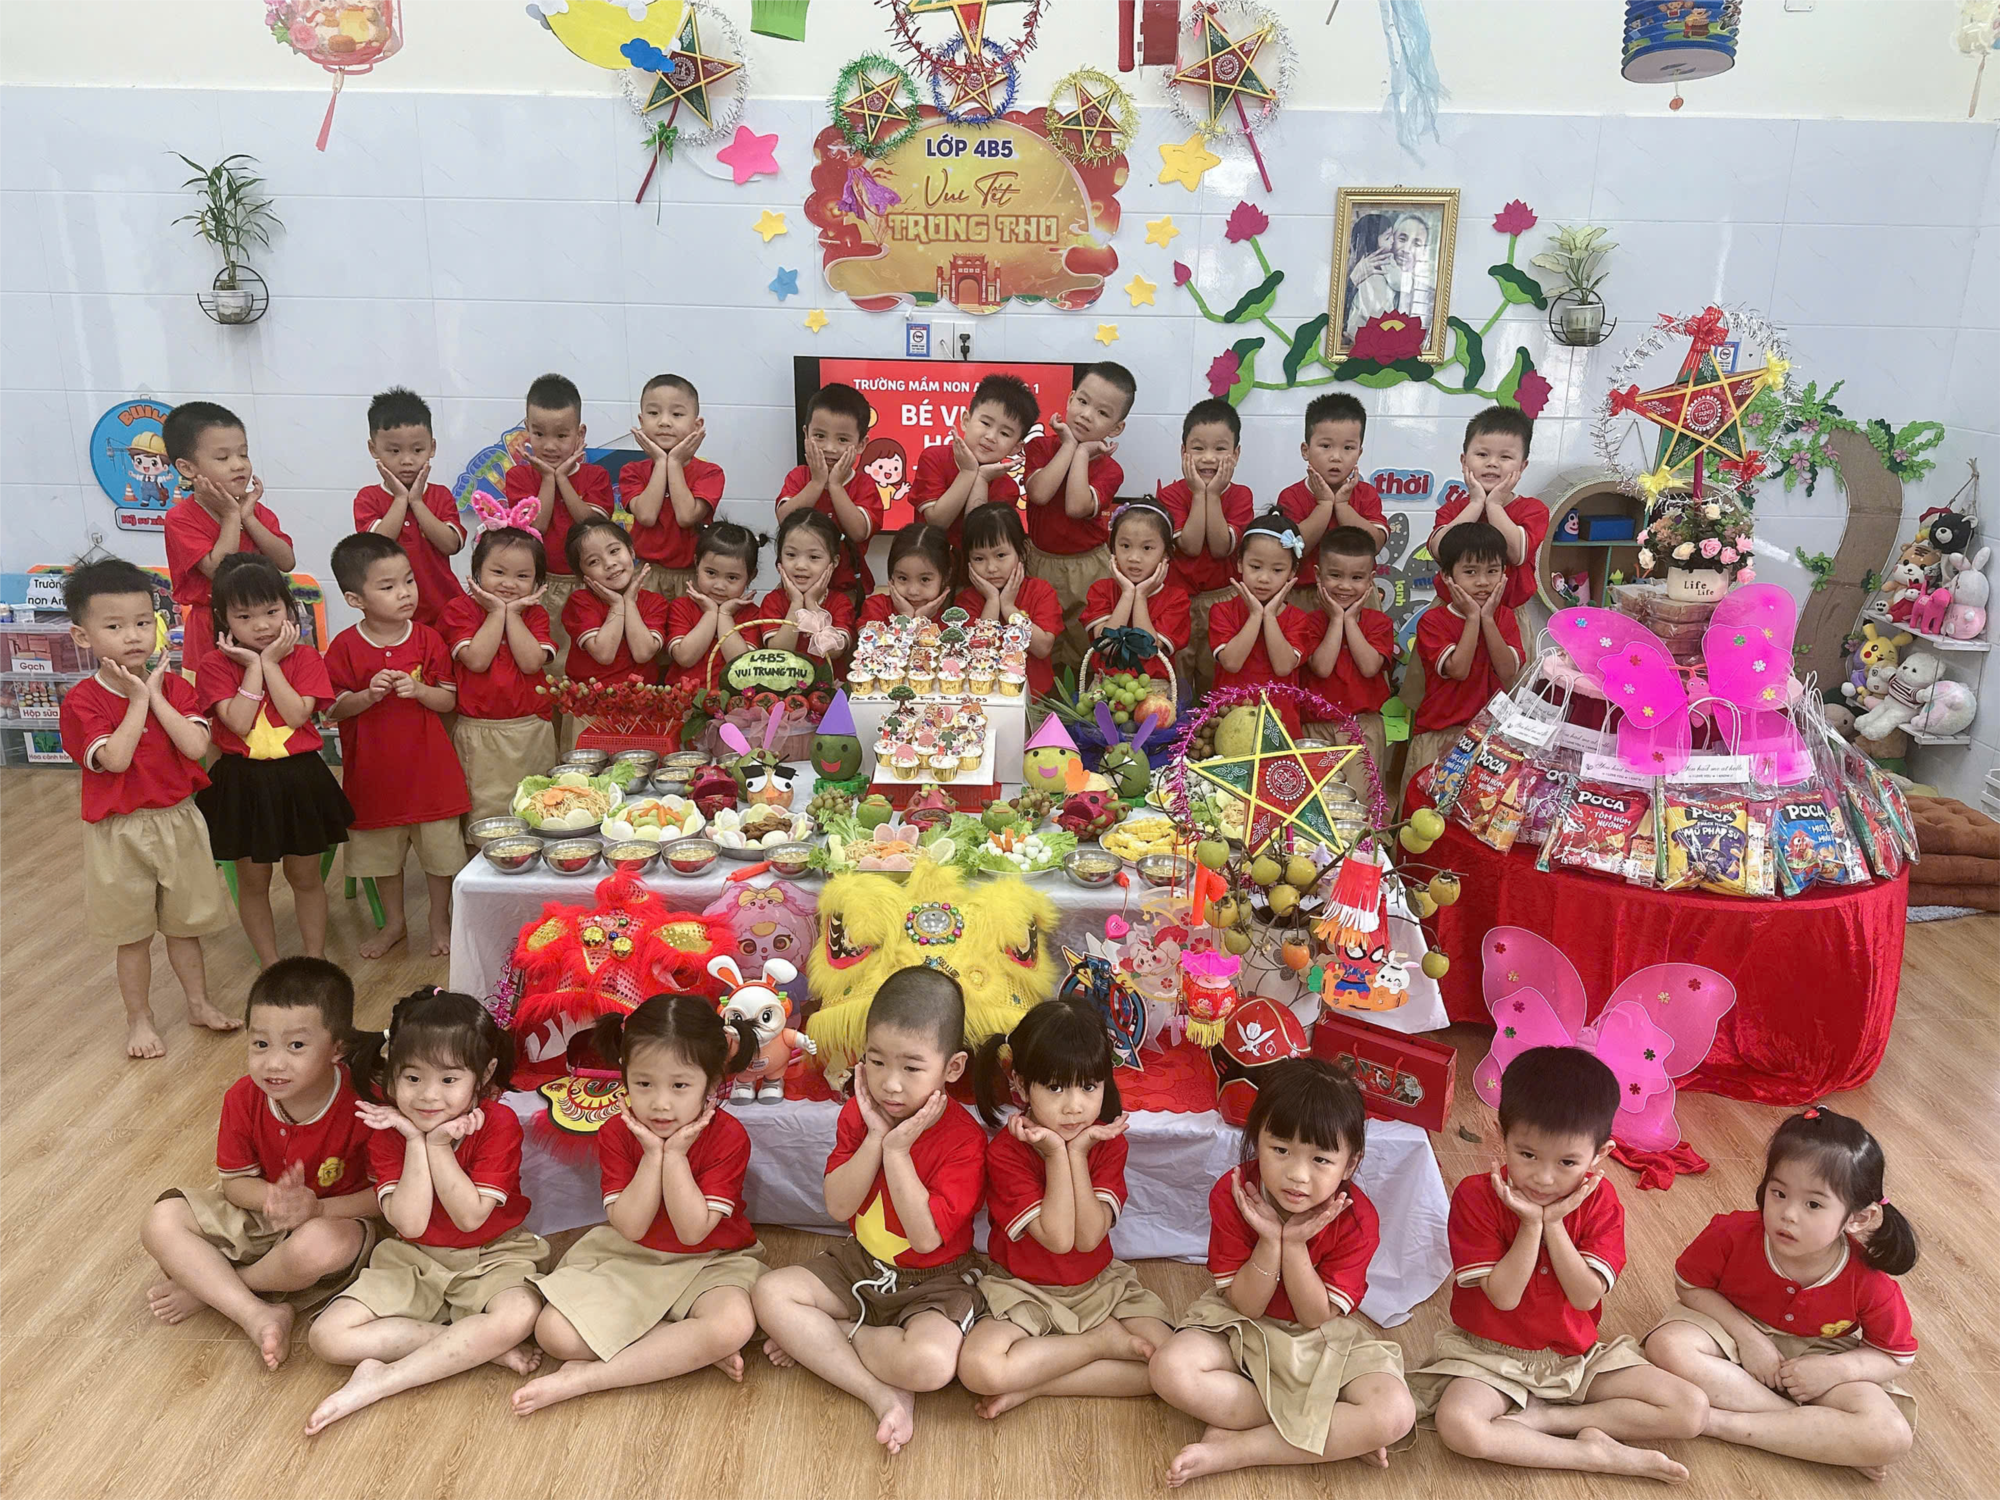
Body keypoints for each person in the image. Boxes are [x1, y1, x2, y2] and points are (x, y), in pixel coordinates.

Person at [1409, 1047, 1708, 1482]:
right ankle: (1592, 1455)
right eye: (1527, 1155)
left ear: (1601, 1153)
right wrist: (1532, 1224)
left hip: (1575, 1356)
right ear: (1502, 1135)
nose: (1544, 1178)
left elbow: (1585, 1296)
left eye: (1567, 1162)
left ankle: (1547, 1421)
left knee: (1690, 1409)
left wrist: (1554, 1224)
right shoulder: (1476, 1195)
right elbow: (1504, 1297)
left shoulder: (1602, 1202)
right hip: (1490, 1356)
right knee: (1459, 1425)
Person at [752, 968, 986, 1456]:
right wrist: (876, 1138)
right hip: (862, 1263)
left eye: (912, 1068)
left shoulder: (964, 1140)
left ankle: (831, 1338)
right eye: (876, 1061)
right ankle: (878, 1392)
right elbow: (839, 1206)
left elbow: (925, 1239)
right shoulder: (860, 1115)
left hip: (936, 1279)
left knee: (931, 1365)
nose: (890, 1085)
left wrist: (897, 1152)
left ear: (953, 1067)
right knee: (770, 1293)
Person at [1149, 1058, 1414, 1485]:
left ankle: (1239, 1448)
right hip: (1239, 1325)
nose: (1297, 1175)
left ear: (1350, 1165)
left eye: (1321, 1159)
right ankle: (1332, 1432)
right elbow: (1246, 1305)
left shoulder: (1358, 1218)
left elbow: (1314, 1317)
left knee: (1396, 1412)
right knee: (1170, 1369)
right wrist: (1270, 1241)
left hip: (1319, 1336)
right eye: (1280, 1150)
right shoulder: (1235, 1192)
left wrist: (1293, 1245)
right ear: (1257, 1139)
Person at [305, 989, 549, 1432]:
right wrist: (417, 1142)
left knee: (520, 1314)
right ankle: (475, 1347)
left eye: (449, 1080)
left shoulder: (497, 1123)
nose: (428, 1096)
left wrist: (438, 1147)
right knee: (327, 1337)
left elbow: (470, 1217)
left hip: (494, 1254)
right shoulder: (388, 1130)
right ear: (392, 1072)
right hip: (414, 1257)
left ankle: (383, 1381)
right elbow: (412, 1223)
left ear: (484, 1074)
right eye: (413, 1078)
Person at [512, 995, 766, 1415]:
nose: (660, 1103)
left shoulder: (728, 1136)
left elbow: (692, 1232)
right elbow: (630, 1227)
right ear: (625, 1075)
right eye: (644, 1084)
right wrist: (652, 1155)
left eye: (680, 1086)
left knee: (732, 1324)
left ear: (711, 1083)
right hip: (631, 1255)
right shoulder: (617, 1131)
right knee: (553, 1333)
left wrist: (676, 1155)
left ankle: (588, 1378)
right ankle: (682, 1348)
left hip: (711, 1260)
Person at [1645, 1106, 1919, 1481]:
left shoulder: (1870, 1281)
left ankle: (1715, 1423)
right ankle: (1810, 1432)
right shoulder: (1732, 1233)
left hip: (1818, 1360)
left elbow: (1895, 1355)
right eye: (1779, 1193)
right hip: (1730, 1331)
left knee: (1891, 1435)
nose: (1788, 1214)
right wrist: (1748, 1338)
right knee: (1667, 1345)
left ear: (1858, 1218)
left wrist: (1834, 1370)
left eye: (1813, 1204)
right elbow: (1689, 1285)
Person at [139, 958, 378, 1370]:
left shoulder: (367, 1105)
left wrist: (317, 1209)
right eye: (260, 1044)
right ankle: (255, 1313)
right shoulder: (242, 1097)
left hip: (335, 1219)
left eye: (296, 1046)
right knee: (160, 1221)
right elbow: (235, 1184)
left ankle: (214, 1289)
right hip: (264, 1216)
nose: (273, 1063)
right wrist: (274, 1200)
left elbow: (385, 1199)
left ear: (337, 1049)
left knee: (319, 1245)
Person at [957, 999, 1172, 1419]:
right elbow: (1058, 1239)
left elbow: (1088, 1238)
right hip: (1023, 1290)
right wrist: (1057, 1154)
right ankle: (1096, 1344)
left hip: (1100, 1286)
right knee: (979, 1369)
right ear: (1021, 1085)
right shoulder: (1006, 1153)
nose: (1074, 1106)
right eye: (1056, 1088)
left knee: (1172, 1366)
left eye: (1089, 1087)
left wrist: (1077, 1154)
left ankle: (1038, 1384)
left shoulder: (1106, 1143)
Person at [59, 557, 236, 1058]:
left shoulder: (176, 688)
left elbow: (196, 747)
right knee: (132, 936)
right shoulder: (82, 701)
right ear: (82, 636)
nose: (133, 636)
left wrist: (155, 696)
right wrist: (139, 700)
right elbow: (114, 759)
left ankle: (198, 1003)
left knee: (185, 927)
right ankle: (140, 1020)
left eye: (142, 622)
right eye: (114, 626)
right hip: (119, 831)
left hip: (179, 819)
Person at [193, 555, 354, 965]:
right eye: (244, 616)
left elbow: (298, 714)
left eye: (271, 611)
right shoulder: (213, 665)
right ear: (223, 619)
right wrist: (253, 668)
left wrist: (269, 664)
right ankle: (269, 963)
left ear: (288, 609)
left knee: (306, 877)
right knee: (253, 881)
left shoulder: (306, 658)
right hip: (241, 782)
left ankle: (315, 959)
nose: (262, 625)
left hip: (300, 779)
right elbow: (239, 723)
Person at [325, 533, 469, 961]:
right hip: (374, 779)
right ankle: (394, 922)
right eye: (387, 587)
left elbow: (448, 700)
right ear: (355, 599)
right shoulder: (345, 647)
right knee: (382, 859)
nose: (405, 592)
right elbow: (332, 708)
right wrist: (366, 696)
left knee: (441, 856)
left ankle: (439, 918)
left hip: (430, 775)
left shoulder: (428, 639)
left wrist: (420, 690)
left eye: (408, 580)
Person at [162, 400, 295, 676]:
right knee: (216, 696)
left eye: (243, 454)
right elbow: (217, 569)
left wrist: (249, 518)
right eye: (223, 458)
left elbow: (286, 561)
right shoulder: (181, 518)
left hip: (264, 627)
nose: (238, 465)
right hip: (210, 631)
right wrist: (232, 516)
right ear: (187, 468)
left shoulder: (256, 511)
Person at [441, 524, 557, 831]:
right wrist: (496, 613)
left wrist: (513, 614)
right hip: (480, 732)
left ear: (537, 581)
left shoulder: (535, 614)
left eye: (523, 576)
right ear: (477, 570)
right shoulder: (459, 610)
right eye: (498, 572)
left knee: (540, 810)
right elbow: (477, 660)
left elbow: (531, 663)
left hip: (531, 729)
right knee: (486, 817)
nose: (509, 584)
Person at [1022, 362, 1134, 669]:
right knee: (1039, 644)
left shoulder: (1111, 470)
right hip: (1039, 559)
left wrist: (1082, 453)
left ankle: (1081, 698)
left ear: (1116, 428)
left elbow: (1076, 506)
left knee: (1083, 648)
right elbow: (1040, 494)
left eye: (1102, 412)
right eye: (1082, 401)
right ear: (1070, 399)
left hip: (1088, 567)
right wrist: (1069, 445)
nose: (1086, 414)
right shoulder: (1040, 447)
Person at [1402, 522, 1523, 797]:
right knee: (1423, 810)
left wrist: (1487, 619)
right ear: (1447, 576)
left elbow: (1507, 671)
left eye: (1492, 571)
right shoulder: (1433, 621)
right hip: (1439, 734)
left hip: (1488, 738)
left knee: (1475, 812)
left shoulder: (1504, 617)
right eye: (1470, 572)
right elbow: (1458, 670)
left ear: (1504, 573)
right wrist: (1472, 618)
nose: (1483, 582)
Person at [503, 373, 612, 659]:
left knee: (586, 656)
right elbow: (536, 527)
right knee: (546, 657)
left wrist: (562, 478)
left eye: (561, 436)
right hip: (540, 585)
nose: (549, 446)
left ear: (580, 434)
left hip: (589, 584)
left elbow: (592, 525)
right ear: (527, 429)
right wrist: (549, 479)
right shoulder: (518, 477)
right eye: (539, 434)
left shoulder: (596, 476)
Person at [1158, 398, 1255, 696]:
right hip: (1178, 600)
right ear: (1183, 452)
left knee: (1216, 680)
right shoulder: (1171, 495)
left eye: (1220, 449)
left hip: (1223, 601)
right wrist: (1200, 495)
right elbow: (1189, 545)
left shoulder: (1241, 495)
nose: (1208, 458)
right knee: (1177, 677)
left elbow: (1220, 547)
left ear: (1236, 454)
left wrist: (1212, 496)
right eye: (1198, 448)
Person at [353, 387, 465, 628]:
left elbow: (451, 545)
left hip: (446, 608)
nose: (407, 460)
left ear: (432, 448)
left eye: (417, 450)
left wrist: (417, 502)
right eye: (394, 451)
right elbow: (375, 548)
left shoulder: (440, 495)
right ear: (373, 449)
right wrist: (400, 499)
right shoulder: (368, 498)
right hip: (391, 616)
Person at [1206, 512, 1324, 736]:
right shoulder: (1222, 611)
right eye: (1255, 566)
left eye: (1277, 570)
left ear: (1292, 572)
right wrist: (1254, 616)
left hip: (1281, 724)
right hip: (1228, 722)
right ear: (1240, 563)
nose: (1264, 578)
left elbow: (1283, 666)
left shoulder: (1298, 618)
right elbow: (1231, 662)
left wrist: (1269, 617)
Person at [1302, 526, 1397, 798]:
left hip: (1362, 727)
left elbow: (1369, 666)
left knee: (1361, 805)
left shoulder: (1379, 623)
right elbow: (1322, 667)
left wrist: (1350, 622)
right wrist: (1336, 620)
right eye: (1335, 575)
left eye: (1357, 578)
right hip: (1316, 727)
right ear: (1318, 575)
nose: (1345, 586)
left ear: (1371, 581)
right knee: (1317, 804)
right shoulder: (1308, 622)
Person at [1429, 406, 1549, 612]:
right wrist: (1476, 504)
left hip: (1506, 614)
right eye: (1482, 454)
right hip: (1450, 611)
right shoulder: (1453, 510)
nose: (1492, 463)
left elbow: (1517, 554)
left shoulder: (1533, 510)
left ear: (1522, 466)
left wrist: (1494, 505)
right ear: (1464, 461)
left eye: (1505, 457)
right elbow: (1440, 550)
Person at [621, 372, 723, 603]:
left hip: (694, 577)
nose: (664, 422)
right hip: (646, 574)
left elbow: (686, 516)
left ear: (697, 425)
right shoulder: (632, 471)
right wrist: (660, 462)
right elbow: (646, 516)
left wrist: (674, 462)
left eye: (677, 414)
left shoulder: (711, 473)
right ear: (641, 421)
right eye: (653, 413)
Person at [1277, 393, 1387, 604]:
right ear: (1306, 450)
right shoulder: (1291, 496)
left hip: (1356, 594)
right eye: (1326, 446)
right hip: (1304, 593)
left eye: (1348, 448)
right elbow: (1294, 550)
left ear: (1359, 453)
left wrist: (1343, 505)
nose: (1336, 457)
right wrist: (1325, 504)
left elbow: (1374, 545)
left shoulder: (1366, 494)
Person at [912, 373, 1038, 552]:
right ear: (966, 420)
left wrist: (981, 479)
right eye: (986, 423)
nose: (991, 436)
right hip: (928, 562)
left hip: (973, 567)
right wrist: (968, 472)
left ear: (1016, 447)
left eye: (1005, 433)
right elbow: (937, 523)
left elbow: (978, 541)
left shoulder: (1008, 489)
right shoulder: (934, 458)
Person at [776, 382, 881, 598]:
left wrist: (835, 486)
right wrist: (817, 483)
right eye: (819, 436)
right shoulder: (799, 477)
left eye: (842, 439)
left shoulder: (864, 484)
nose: (829, 448)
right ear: (806, 434)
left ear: (861, 444)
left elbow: (859, 532)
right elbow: (785, 520)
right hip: (796, 587)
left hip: (846, 589)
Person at [1081, 501, 1191, 686]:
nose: (1134, 558)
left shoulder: (1177, 599)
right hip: (1105, 686)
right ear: (1112, 548)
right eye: (1125, 546)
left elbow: (1145, 650)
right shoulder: (1100, 590)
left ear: (1166, 554)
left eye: (1147, 548)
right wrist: (1127, 594)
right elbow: (1107, 646)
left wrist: (1140, 596)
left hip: (1154, 688)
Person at [958, 505, 1061, 702]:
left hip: (1035, 699)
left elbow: (1042, 648)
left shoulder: (1040, 591)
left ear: (1022, 551)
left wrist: (1008, 608)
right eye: (979, 558)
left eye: (1000, 555)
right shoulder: (967, 599)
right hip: (982, 698)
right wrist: (992, 601)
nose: (991, 568)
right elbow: (978, 652)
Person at [561, 516, 669, 687]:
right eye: (593, 561)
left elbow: (643, 653)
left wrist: (629, 603)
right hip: (590, 697)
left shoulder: (655, 602)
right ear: (582, 575)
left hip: (644, 696)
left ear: (631, 551)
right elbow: (604, 654)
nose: (609, 564)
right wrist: (617, 605)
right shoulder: (580, 602)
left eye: (614, 551)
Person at [665, 523, 767, 694]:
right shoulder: (682, 607)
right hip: (682, 699)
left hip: (734, 701)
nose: (719, 586)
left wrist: (725, 615)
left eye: (732, 578)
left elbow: (741, 666)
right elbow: (685, 657)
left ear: (751, 576)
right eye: (711, 573)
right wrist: (711, 613)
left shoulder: (753, 615)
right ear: (696, 564)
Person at [758, 508, 855, 679]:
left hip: (828, 690)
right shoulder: (773, 601)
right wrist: (796, 604)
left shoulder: (840, 602)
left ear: (833, 563)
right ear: (780, 559)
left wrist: (811, 603)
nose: (801, 565)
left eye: (814, 557)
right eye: (791, 555)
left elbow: (833, 651)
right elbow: (779, 653)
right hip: (783, 689)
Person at [1344, 210, 1433, 338]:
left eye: (1417, 244)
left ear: (1424, 252)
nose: (1406, 249)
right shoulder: (1381, 261)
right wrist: (1352, 281)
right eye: (1402, 239)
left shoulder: (1429, 298)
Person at [861, 523, 955, 626]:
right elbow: (869, 635)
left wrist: (920, 619)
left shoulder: (953, 619)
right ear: (892, 575)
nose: (913, 591)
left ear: (946, 577)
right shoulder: (876, 607)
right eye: (903, 578)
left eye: (925, 579)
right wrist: (907, 616)